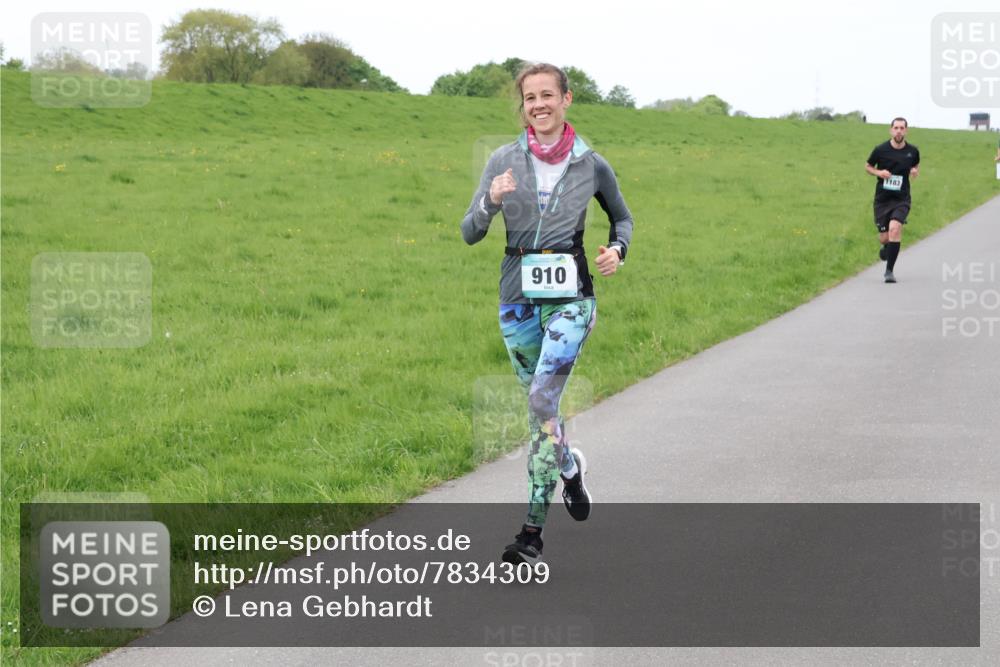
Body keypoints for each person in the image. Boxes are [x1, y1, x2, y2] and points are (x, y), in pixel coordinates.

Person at [461, 63, 634, 565]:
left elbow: (621, 215)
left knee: (540, 401)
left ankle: (531, 532)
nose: (538, 105)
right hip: (516, 302)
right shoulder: (503, 159)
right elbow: (469, 231)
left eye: (547, 95)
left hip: (572, 301)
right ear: (523, 105)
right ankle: (570, 471)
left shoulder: (590, 164)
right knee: (543, 412)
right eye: (529, 98)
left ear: (566, 99)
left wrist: (617, 250)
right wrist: (490, 203)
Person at [865, 117, 920, 283]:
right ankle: (886, 246)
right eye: (896, 128)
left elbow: (915, 164)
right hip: (882, 199)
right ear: (891, 130)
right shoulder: (880, 150)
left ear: (906, 131)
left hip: (901, 198)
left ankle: (889, 271)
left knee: (895, 229)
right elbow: (867, 166)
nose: (899, 131)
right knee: (884, 237)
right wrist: (879, 173)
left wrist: (914, 170)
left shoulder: (913, 151)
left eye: (902, 128)